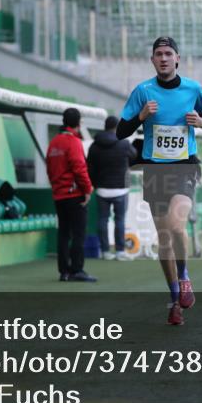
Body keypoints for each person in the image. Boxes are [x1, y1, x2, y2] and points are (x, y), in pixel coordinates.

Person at [116, 37, 202, 326]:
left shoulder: (193, 88)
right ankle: (175, 300)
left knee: (176, 225)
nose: (163, 58)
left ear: (177, 59)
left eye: (168, 53)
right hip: (155, 170)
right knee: (164, 241)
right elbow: (121, 131)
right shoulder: (142, 91)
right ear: (152, 60)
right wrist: (140, 116)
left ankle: (184, 278)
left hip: (184, 166)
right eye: (158, 54)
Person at [46, 107, 96, 282]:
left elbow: (50, 169)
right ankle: (77, 270)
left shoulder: (54, 143)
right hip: (74, 195)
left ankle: (64, 272)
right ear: (79, 123)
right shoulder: (74, 142)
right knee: (78, 234)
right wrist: (88, 189)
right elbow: (79, 168)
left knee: (63, 234)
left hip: (59, 195)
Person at [87, 115, 137, 261]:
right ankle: (120, 251)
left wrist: (95, 183)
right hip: (121, 188)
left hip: (102, 189)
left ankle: (105, 251)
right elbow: (134, 155)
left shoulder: (94, 146)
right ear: (116, 127)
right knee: (120, 220)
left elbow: (89, 167)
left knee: (102, 220)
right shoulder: (124, 143)